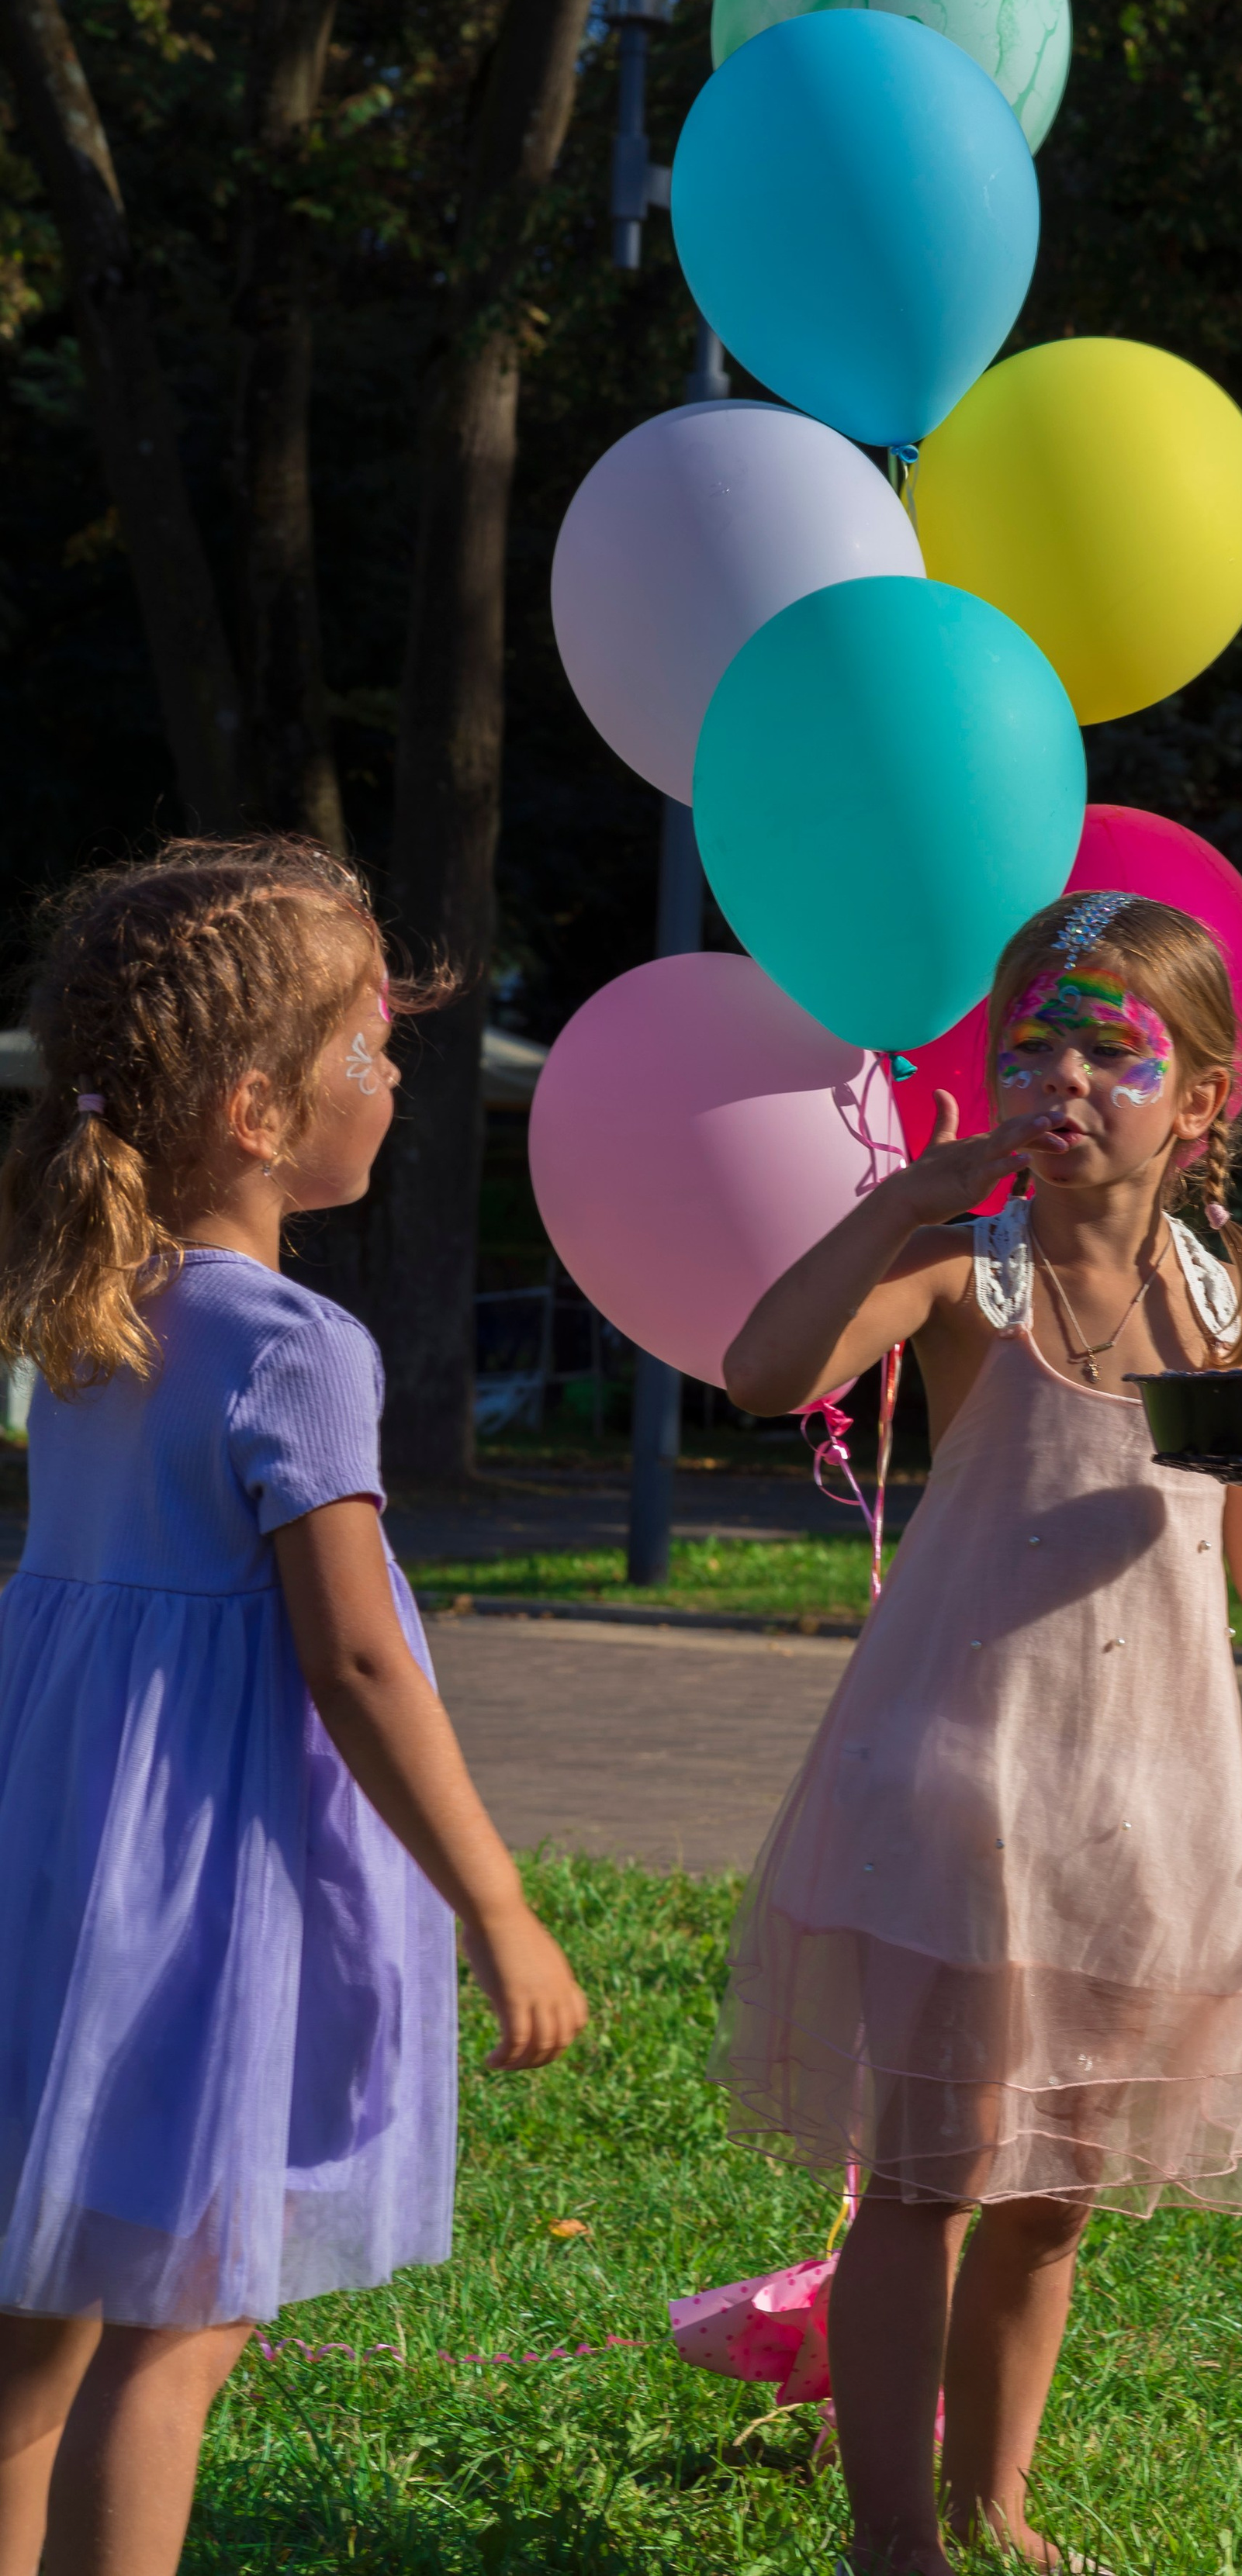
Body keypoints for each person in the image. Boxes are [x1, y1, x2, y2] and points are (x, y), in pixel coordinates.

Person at [716, 889, 1242, 2576]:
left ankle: (996, 2502)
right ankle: (892, 2538)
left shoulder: (1234, 1298)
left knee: (1053, 2185)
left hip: (1145, 1794)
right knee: (925, 2170)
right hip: (955, 1783)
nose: (1059, 1078)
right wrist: (906, 1193)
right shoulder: (957, 1266)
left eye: (1108, 1051)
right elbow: (763, 1373)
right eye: (1028, 1044)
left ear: (1201, 1098)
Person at [0, 839, 587, 2576]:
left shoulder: (94, 1307)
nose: (394, 1074)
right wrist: (496, 1901)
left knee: (39, 2321)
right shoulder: (291, 1343)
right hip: (211, 1879)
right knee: (179, 2323)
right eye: (364, 1048)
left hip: (73, 1850)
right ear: (258, 1108)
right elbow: (353, 1658)